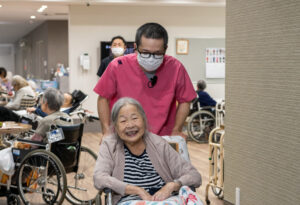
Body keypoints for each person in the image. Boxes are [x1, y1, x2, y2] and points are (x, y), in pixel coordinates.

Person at [94, 23, 196, 139]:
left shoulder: (175, 67)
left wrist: (177, 130)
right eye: (145, 52)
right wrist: (106, 131)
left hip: (162, 137)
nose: (151, 58)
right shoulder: (117, 66)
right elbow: (103, 98)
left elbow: (185, 100)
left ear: (165, 49)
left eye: (157, 53)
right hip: (124, 136)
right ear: (135, 47)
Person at [93, 97, 202, 205]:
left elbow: (194, 175)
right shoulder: (109, 145)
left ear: (144, 121)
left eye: (135, 118)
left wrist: (172, 185)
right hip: (130, 201)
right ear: (115, 127)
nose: (130, 125)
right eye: (123, 121)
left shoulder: (158, 143)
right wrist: (136, 190)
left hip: (166, 199)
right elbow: (99, 178)